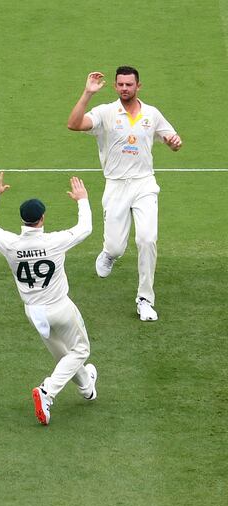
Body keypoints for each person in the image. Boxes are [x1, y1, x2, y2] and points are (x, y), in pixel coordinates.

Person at [0, 171, 98, 426]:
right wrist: (82, 199)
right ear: (42, 219)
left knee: (64, 356)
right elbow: (85, 228)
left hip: (34, 312)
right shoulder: (55, 242)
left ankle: (87, 387)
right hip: (60, 307)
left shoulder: (10, 244)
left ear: (22, 221)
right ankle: (47, 391)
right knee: (81, 350)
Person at [67, 66, 183, 321]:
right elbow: (73, 124)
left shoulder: (152, 114)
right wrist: (87, 93)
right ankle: (110, 253)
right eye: (120, 84)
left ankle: (145, 299)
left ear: (138, 86)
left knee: (147, 239)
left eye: (129, 85)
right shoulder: (106, 113)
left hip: (144, 184)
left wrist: (175, 142)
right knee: (117, 247)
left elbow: (172, 139)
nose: (124, 88)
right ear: (115, 86)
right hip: (116, 185)